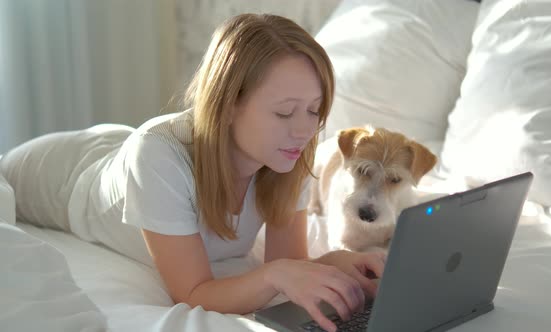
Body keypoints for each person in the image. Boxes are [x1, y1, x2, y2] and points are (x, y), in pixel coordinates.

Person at [0, 13, 384, 332]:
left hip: (119, 152)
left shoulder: (289, 150)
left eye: (314, 110)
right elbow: (193, 293)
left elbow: (288, 264)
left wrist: (336, 263)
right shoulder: (159, 156)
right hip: (57, 175)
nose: (304, 129)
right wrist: (276, 276)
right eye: (284, 111)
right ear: (229, 104)